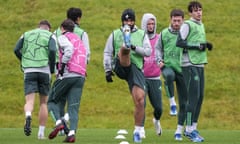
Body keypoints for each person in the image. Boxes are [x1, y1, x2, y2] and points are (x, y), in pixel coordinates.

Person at [103, 8, 151, 143]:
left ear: (134, 21)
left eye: (130, 20)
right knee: (124, 50)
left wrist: (135, 47)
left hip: (135, 69)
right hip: (120, 65)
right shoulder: (114, 34)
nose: (128, 22)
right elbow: (107, 52)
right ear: (122, 21)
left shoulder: (142, 34)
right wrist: (107, 70)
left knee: (140, 100)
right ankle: (126, 43)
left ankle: (137, 131)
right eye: (126, 20)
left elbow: (148, 51)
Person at [176, 1, 213, 142]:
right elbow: (179, 42)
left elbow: (199, 44)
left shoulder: (201, 25)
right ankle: (188, 130)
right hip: (189, 64)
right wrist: (198, 45)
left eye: (200, 10)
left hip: (200, 64)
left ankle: (194, 128)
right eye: (195, 10)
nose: (199, 12)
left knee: (200, 97)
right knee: (192, 97)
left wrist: (205, 46)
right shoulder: (187, 25)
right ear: (190, 13)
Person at [13, 20, 57, 139]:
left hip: (29, 70)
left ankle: (28, 115)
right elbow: (53, 50)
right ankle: (41, 133)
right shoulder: (51, 35)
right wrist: (52, 68)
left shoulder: (26, 34)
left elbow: (16, 49)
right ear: (49, 28)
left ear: (38, 27)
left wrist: (24, 60)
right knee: (43, 102)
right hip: (44, 70)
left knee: (29, 101)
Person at [47, 19, 88, 143]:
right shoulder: (79, 40)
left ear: (62, 28)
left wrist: (63, 66)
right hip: (81, 75)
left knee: (51, 100)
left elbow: (68, 50)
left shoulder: (63, 37)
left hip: (68, 74)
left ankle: (59, 122)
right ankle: (71, 133)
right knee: (73, 107)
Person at [53, 7, 91, 136]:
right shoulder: (81, 33)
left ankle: (61, 127)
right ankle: (69, 126)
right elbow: (87, 53)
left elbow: (52, 51)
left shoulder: (57, 32)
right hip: (78, 72)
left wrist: (55, 69)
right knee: (73, 102)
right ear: (79, 18)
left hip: (61, 72)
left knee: (59, 100)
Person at [155, 9, 187, 141]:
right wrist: (159, 60)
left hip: (183, 69)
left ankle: (179, 130)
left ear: (183, 21)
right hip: (168, 66)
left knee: (185, 103)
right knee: (168, 76)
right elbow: (157, 48)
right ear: (171, 20)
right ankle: (172, 103)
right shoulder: (164, 33)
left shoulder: (186, 34)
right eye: (174, 20)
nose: (176, 23)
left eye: (179, 21)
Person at [140, 13, 163, 138]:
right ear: (144, 24)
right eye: (148, 24)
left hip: (155, 78)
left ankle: (156, 120)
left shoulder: (160, 38)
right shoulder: (139, 38)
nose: (151, 26)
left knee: (159, 108)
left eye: (153, 24)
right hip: (141, 77)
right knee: (141, 103)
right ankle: (141, 128)